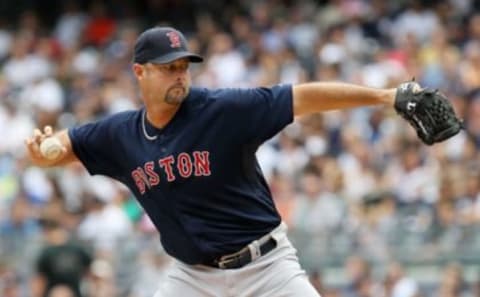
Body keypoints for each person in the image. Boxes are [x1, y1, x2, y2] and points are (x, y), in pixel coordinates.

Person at [25, 26, 399, 297]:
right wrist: (45, 148)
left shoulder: (222, 110)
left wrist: (384, 97)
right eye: (168, 67)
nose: (180, 74)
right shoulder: (120, 135)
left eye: (184, 66)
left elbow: (303, 98)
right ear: (140, 72)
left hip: (266, 268)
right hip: (192, 279)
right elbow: (67, 144)